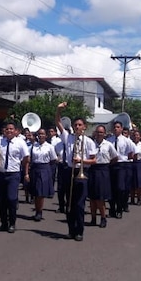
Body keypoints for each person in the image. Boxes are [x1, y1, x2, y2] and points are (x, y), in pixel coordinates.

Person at [56, 103, 96, 241]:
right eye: (75, 125)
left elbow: (94, 160)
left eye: (79, 125)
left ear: (84, 126)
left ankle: (80, 231)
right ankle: (71, 230)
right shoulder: (68, 137)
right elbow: (57, 122)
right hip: (69, 172)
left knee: (79, 204)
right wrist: (59, 110)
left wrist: (81, 161)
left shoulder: (89, 141)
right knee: (70, 203)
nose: (77, 127)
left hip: (82, 173)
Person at [0, 121, 29, 233]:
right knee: (2, 200)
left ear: (15, 131)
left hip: (13, 174)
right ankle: (4, 223)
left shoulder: (20, 142)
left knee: (12, 199)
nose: (9, 131)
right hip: (1, 173)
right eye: (7, 129)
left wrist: (23, 169)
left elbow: (26, 157)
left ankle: (12, 223)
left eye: (11, 129)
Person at [88, 124, 118, 228]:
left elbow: (115, 157)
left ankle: (103, 218)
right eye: (98, 132)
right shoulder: (91, 144)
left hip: (103, 170)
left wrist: (107, 164)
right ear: (95, 133)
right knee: (92, 197)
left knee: (101, 198)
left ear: (104, 134)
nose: (99, 134)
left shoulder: (108, 145)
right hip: (93, 170)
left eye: (101, 132)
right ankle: (93, 218)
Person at [27, 128, 58, 221]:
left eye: (43, 134)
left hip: (44, 168)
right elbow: (29, 158)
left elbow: (53, 159)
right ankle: (37, 210)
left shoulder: (49, 147)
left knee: (41, 192)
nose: (41, 136)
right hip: (35, 169)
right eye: (39, 134)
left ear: (46, 136)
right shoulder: (33, 146)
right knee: (36, 192)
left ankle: (39, 212)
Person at [107, 120, 134, 218]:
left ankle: (119, 208)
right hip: (111, 165)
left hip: (122, 165)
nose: (116, 129)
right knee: (111, 188)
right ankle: (112, 209)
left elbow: (131, 154)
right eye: (114, 127)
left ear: (122, 129)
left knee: (120, 188)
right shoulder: (109, 140)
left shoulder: (127, 141)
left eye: (118, 127)